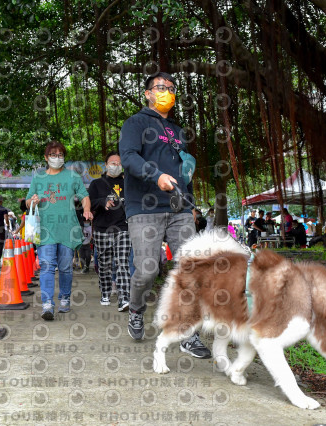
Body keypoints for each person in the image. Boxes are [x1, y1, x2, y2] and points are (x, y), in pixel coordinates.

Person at [119, 71, 211, 359]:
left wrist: (192, 203)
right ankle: (136, 309)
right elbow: (129, 157)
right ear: (147, 93)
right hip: (144, 207)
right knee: (147, 270)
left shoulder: (177, 131)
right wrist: (156, 176)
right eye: (160, 87)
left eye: (171, 88)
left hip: (179, 208)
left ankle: (187, 332)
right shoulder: (135, 123)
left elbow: (185, 171)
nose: (166, 92)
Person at [27, 141, 92, 320]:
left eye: (60, 155)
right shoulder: (38, 178)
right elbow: (27, 201)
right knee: (47, 266)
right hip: (46, 230)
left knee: (65, 268)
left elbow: (84, 196)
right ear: (46, 157)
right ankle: (47, 304)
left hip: (67, 229)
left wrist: (86, 209)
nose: (57, 158)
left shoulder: (73, 177)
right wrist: (32, 201)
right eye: (53, 155)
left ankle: (64, 298)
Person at [88, 151, 132, 311]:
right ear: (106, 165)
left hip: (123, 228)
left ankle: (124, 298)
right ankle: (105, 292)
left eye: (119, 163)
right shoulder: (96, 184)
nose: (116, 165)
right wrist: (103, 202)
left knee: (122, 262)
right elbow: (89, 203)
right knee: (105, 263)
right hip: (102, 228)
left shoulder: (128, 183)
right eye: (113, 163)